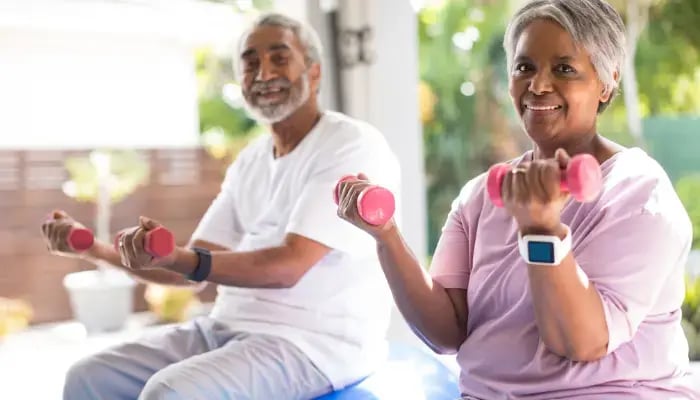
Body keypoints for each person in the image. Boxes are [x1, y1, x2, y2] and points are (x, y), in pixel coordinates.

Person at [337, 0, 699, 398]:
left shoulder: (641, 194)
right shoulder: (478, 196)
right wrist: (386, 237)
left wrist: (541, 229)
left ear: (607, 80)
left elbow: (580, 342)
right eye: (524, 67)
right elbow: (446, 332)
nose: (538, 85)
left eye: (564, 68)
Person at [42, 12, 401, 400]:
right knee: (88, 378)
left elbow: (287, 266)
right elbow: (187, 270)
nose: (263, 74)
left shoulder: (350, 144)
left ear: (313, 74)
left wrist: (182, 259)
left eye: (279, 58)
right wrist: (93, 248)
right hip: (225, 329)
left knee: (169, 392)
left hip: (314, 342)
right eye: (250, 63)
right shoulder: (250, 161)